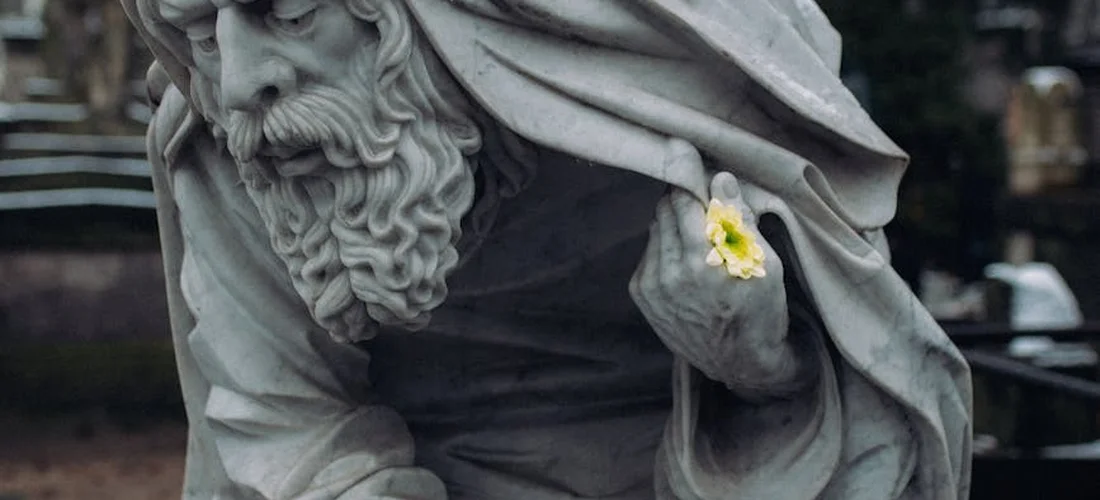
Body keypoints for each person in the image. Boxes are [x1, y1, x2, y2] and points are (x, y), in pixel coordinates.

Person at [122, 0, 972, 498]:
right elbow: (288, 430)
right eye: (199, 29)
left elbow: (755, 256)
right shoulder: (238, 144)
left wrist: (761, 361)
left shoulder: (663, 83)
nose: (239, 79)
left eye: (291, 10)